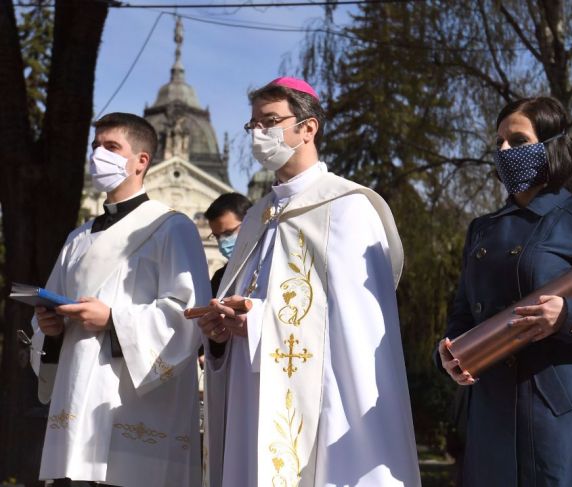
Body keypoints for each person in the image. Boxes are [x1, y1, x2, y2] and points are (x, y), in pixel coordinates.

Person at [199, 77, 420, 486]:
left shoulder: (349, 208)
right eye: (254, 125)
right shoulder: (255, 218)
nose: (259, 134)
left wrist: (262, 324)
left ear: (308, 127)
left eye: (270, 121)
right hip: (248, 400)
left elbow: (356, 331)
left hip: (321, 409)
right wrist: (219, 333)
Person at [437, 97, 572, 487]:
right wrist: (444, 355)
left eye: (517, 140)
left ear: (550, 145)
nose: (503, 151)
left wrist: (567, 316)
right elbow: (461, 317)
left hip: (554, 415)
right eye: (499, 142)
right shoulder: (483, 228)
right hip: (490, 414)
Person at [30, 113, 211, 487]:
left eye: (111, 147)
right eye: (96, 147)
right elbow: (49, 310)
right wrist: (50, 329)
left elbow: (187, 314)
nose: (99, 156)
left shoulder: (171, 227)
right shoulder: (77, 238)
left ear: (141, 161)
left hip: (131, 408)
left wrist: (113, 319)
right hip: (76, 400)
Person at [204, 192, 252, 296]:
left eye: (228, 233)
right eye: (217, 236)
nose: (223, 242)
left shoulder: (270, 266)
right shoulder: (219, 278)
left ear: (250, 223)